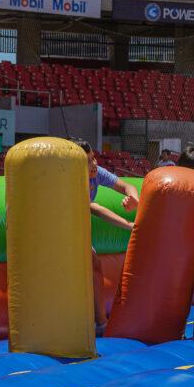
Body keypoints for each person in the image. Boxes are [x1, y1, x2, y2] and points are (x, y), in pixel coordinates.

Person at [70, 138, 139, 334]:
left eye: (93, 159)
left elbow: (126, 186)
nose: (94, 164)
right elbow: (94, 208)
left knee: (94, 265)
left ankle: (100, 321)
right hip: (59, 230)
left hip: (76, 229)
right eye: (88, 162)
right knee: (92, 262)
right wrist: (126, 224)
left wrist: (134, 198)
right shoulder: (67, 180)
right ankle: (99, 321)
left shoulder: (95, 174)